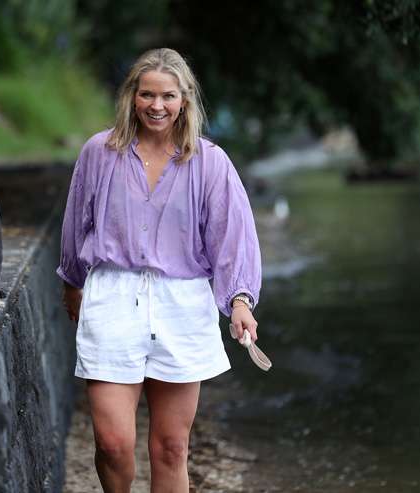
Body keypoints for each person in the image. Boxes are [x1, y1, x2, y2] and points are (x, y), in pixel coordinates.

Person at [57, 48, 262, 492]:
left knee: (170, 447)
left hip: (182, 304)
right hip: (112, 299)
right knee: (112, 442)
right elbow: (77, 223)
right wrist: (72, 282)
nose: (157, 106)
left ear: (184, 100)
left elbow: (233, 238)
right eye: (147, 94)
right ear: (132, 97)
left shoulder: (210, 162)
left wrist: (240, 301)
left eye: (168, 96)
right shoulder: (99, 153)